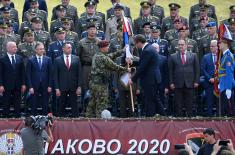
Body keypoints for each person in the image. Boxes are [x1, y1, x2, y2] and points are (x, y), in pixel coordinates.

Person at [86, 40, 129, 118]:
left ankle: (89, 118)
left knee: (92, 102)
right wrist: (126, 69)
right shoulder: (103, 58)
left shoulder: (97, 55)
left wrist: (121, 51)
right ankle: (100, 120)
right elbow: (115, 66)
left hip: (93, 83)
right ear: (103, 48)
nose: (108, 48)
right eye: (107, 47)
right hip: (101, 84)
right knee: (102, 102)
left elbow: (111, 55)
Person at [129, 34, 165, 117]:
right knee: (154, 98)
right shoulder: (148, 48)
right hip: (152, 78)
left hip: (150, 79)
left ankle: (152, 117)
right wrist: (132, 62)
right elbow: (143, 62)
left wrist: (133, 79)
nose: (135, 46)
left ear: (138, 42)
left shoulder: (147, 51)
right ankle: (160, 116)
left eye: (135, 43)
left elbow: (142, 67)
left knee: (150, 99)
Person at [168, 39, 200, 117]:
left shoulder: (193, 55)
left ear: (186, 45)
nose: (180, 46)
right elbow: (170, 71)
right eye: (179, 45)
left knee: (190, 104)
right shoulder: (172, 56)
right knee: (178, 104)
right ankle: (179, 122)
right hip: (177, 84)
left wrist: (196, 81)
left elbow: (197, 70)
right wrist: (171, 82)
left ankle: (190, 120)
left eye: (182, 45)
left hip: (190, 83)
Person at [54, 42, 82, 117]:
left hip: (73, 86)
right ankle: (61, 120)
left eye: (71, 48)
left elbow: (79, 74)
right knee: (61, 105)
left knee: (74, 105)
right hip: (62, 86)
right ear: (63, 49)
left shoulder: (76, 58)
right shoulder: (57, 60)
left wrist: (79, 86)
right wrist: (57, 88)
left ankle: (75, 120)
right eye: (68, 48)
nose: (70, 49)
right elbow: (55, 75)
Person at [0, 42, 26, 118]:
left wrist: (23, 84)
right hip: (6, 85)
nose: (16, 48)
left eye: (16, 47)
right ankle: (5, 117)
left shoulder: (19, 58)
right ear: (8, 48)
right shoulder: (2, 59)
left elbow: (23, 72)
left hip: (17, 84)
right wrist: (1, 85)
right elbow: (0, 73)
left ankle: (17, 117)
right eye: (14, 47)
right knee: (6, 101)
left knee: (17, 102)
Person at [26, 42, 53, 115]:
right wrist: (30, 86)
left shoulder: (48, 59)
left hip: (45, 85)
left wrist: (50, 85)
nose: (42, 50)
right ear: (36, 50)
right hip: (34, 86)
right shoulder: (30, 60)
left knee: (45, 104)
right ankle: (33, 119)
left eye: (43, 49)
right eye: (40, 49)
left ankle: (45, 119)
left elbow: (51, 74)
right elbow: (28, 75)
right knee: (34, 104)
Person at [218, 35, 235, 116]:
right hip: (223, 84)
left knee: (229, 109)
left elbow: (229, 73)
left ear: (226, 44)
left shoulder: (228, 56)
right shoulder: (224, 55)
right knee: (225, 107)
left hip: (227, 85)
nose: (219, 44)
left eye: (220, 42)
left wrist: (228, 88)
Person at [201, 40, 219, 116]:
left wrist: (217, 78)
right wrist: (209, 78)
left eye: (213, 46)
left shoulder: (221, 57)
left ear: (217, 47)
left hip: (219, 83)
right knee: (209, 102)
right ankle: (209, 118)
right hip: (209, 83)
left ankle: (219, 117)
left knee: (219, 102)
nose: (211, 47)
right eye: (210, 46)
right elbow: (203, 69)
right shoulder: (205, 57)